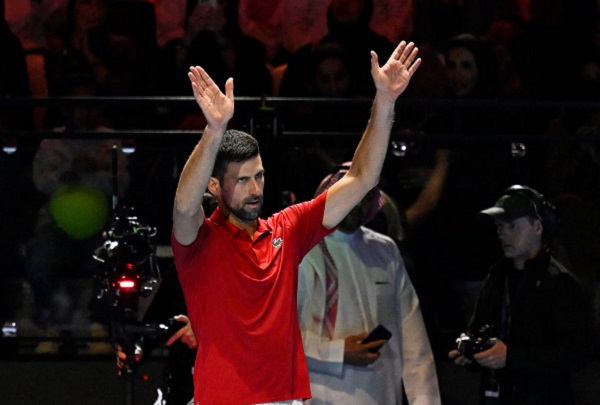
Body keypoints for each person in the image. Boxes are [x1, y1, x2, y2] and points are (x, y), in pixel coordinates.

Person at [171, 40, 421, 404]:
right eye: (242, 180)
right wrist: (215, 129)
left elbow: (362, 177)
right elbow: (183, 206)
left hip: (286, 400)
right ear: (214, 185)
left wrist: (385, 100)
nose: (255, 189)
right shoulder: (199, 240)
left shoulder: (287, 228)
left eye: (259, 176)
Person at [296, 164, 441, 404]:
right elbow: (276, 338)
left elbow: (414, 343)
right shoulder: (300, 248)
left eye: (367, 195)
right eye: (352, 192)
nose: (359, 203)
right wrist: (338, 352)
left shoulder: (385, 251)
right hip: (320, 396)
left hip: (381, 396)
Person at [448, 185, 592, 405]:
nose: (502, 233)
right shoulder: (497, 276)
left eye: (512, 226)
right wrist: (472, 352)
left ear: (538, 227)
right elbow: (480, 328)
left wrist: (511, 357)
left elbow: (577, 353)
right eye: (499, 226)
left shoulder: (560, 282)